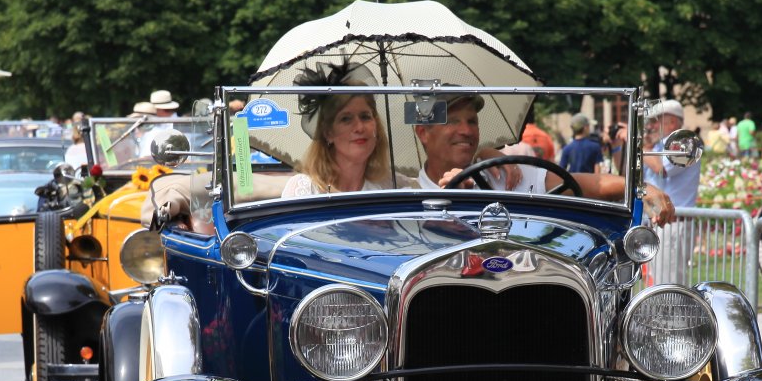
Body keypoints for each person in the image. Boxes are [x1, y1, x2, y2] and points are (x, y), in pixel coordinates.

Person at [413, 94, 672, 221]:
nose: (467, 131)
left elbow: (588, 183)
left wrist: (640, 188)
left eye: (472, 121)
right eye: (452, 121)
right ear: (423, 132)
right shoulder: (405, 197)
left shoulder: (506, 174)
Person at [281, 63, 401, 197]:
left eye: (365, 117)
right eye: (346, 119)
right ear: (328, 132)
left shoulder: (390, 185)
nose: (359, 127)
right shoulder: (304, 190)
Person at [642, 99, 702, 286]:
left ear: (673, 122)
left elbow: (661, 169)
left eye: (657, 120)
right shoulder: (656, 147)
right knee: (656, 285)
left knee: (669, 285)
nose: (651, 126)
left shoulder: (687, 142)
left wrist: (640, 147)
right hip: (656, 221)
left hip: (673, 223)